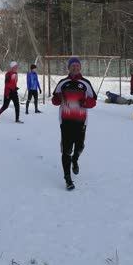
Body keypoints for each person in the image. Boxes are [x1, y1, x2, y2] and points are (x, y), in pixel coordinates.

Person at [52, 57, 97, 190]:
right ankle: (68, 179)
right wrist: (57, 98)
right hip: (65, 121)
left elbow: (93, 101)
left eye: (77, 66)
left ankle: (75, 160)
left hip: (81, 121)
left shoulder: (85, 83)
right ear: (69, 68)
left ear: (80, 68)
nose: (75, 68)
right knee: (66, 151)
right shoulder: (62, 83)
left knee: (79, 146)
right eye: (73, 66)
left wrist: (85, 102)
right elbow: (55, 100)